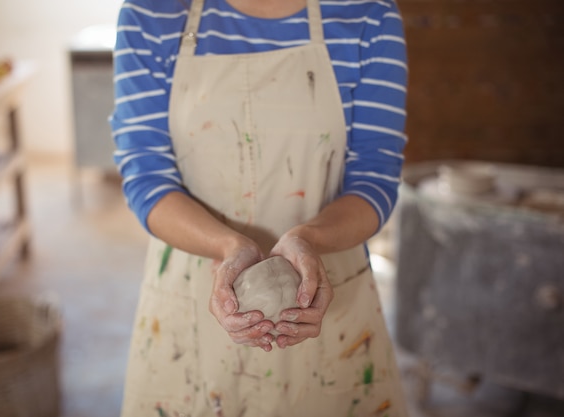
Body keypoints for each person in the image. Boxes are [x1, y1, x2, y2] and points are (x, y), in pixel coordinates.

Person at [110, 0, 409, 415]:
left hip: (327, 301)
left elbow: (375, 178)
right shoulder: (154, 12)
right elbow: (146, 175)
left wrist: (308, 238)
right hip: (194, 303)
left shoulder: (366, 13)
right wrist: (227, 247)